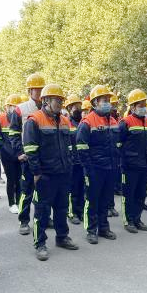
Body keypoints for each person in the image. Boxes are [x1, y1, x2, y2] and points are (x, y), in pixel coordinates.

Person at [23, 84, 79, 260]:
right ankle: (40, 243)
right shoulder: (34, 120)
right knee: (42, 211)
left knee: (62, 208)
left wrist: (69, 166)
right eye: (57, 100)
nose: (60, 104)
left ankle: (62, 237)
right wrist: (37, 173)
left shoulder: (64, 121)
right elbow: (30, 149)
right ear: (46, 100)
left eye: (61, 100)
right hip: (45, 175)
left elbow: (70, 146)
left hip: (63, 173)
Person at [76, 85, 119, 244]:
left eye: (108, 100)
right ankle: (91, 230)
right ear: (95, 102)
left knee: (105, 200)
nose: (107, 103)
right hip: (94, 169)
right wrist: (89, 169)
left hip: (110, 168)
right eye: (104, 100)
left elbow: (116, 145)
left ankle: (103, 228)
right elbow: (81, 147)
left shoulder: (113, 120)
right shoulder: (87, 122)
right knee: (92, 200)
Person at [10, 73, 45, 235]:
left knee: (44, 191)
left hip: (45, 158)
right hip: (28, 158)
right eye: (37, 89)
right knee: (27, 191)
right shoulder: (20, 109)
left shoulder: (48, 109)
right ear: (30, 91)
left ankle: (45, 218)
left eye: (42, 89)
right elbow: (13, 133)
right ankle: (23, 221)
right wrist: (19, 152)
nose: (40, 92)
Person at [118, 89, 147, 233]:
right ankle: (128, 221)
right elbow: (118, 144)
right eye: (140, 105)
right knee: (129, 195)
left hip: (145, 164)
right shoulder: (125, 122)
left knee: (140, 194)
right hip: (130, 166)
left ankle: (137, 219)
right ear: (132, 107)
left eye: (144, 104)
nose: (143, 107)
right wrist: (124, 162)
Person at [65, 94, 85, 224]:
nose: (78, 109)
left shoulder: (83, 122)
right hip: (71, 162)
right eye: (75, 106)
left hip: (82, 161)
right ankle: (72, 213)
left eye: (79, 106)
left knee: (81, 188)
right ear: (69, 108)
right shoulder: (65, 122)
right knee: (72, 189)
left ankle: (80, 211)